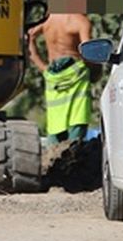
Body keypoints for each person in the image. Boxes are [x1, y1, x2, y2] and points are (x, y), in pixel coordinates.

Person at [27, 13, 94, 145]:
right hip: (76, 76)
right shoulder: (80, 21)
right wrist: (95, 70)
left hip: (53, 78)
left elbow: (29, 36)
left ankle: (54, 155)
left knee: (55, 121)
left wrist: (42, 66)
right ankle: (74, 152)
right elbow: (88, 51)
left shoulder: (47, 20)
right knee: (77, 118)